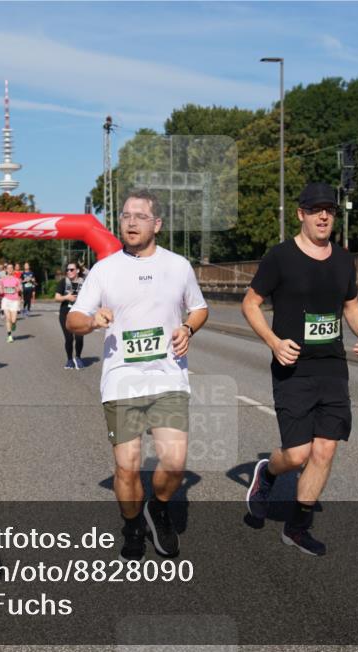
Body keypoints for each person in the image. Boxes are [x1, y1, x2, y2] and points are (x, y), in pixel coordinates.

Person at [66, 189, 208, 561]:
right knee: (127, 467)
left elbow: (199, 308)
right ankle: (131, 525)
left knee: (175, 464)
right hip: (122, 379)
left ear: (157, 224)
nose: (130, 222)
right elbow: (73, 318)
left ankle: (157, 509)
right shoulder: (105, 269)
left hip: (168, 379)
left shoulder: (178, 266)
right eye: (126, 216)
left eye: (139, 216)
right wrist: (92, 320)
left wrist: (188, 329)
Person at [243, 182, 358, 557]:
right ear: (300, 214)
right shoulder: (280, 257)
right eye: (315, 209)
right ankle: (268, 472)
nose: (323, 215)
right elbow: (250, 304)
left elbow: (350, 304)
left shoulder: (344, 259)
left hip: (332, 367)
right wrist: (274, 342)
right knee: (297, 454)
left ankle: (297, 528)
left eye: (329, 209)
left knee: (326, 449)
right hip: (293, 367)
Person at [55, 262, 86, 369]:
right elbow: (57, 297)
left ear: (77, 270)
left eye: (71, 269)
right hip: (65, 314)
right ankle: (69, 360)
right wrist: (66, 297)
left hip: (80, 314)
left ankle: (78, 357)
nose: (69, 272)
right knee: (69, 338)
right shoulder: (63, 282)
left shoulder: (85, 282)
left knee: (79, 337)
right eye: (67, 270)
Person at [0, 262, 22, 342]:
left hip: (14, 301)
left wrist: (16, 289)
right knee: (8, 318)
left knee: (13, 320)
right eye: (8, 268)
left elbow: (20, 288)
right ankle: (9, 336)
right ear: (6, 270)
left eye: (11, 268)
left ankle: (14, 323)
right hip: (6, 300)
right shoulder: (2, 280)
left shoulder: (17, 279)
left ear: (13, 270)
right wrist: (1, 291)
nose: (10, 270)